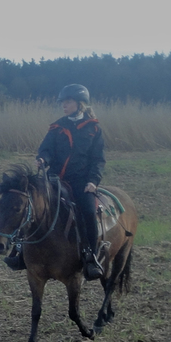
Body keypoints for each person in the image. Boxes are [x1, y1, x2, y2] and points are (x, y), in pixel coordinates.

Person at [35, 83, 106, 280]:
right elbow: (46, 149)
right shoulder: (57, 127)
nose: (64, 105)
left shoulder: (94, 129)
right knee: (34, 204)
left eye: (68, 102)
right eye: (63, 102)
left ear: (80, 104)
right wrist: (43, 159)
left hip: (81, 181)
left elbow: (98, 160)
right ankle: (19, 250)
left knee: (89, 212)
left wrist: (93, 181)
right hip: (55, 178)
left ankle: (91, 256)